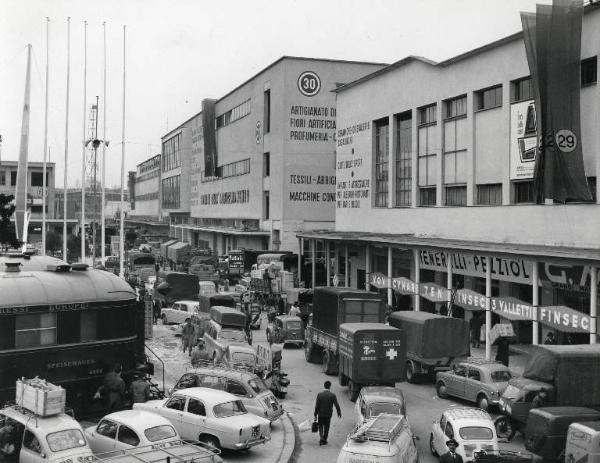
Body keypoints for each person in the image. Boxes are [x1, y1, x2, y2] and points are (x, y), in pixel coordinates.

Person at [313, 380, 341, 446]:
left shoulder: (320, 395)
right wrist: (339, 413)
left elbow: (317, 406)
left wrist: (315, 414)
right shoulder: (333, 395)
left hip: (321, 414)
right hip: (328, 415)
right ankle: (325, 439)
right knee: (327, 427)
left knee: (320, 426)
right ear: (330, 387)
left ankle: (321, 437)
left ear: (324, 386)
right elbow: (336, 405)